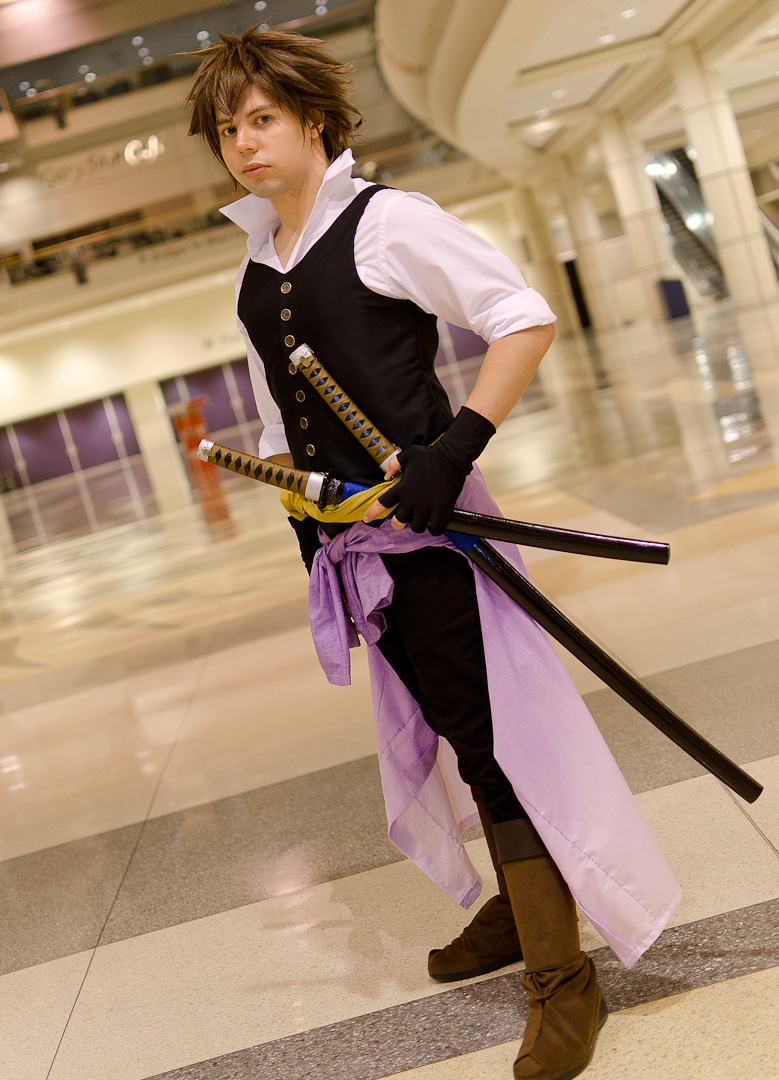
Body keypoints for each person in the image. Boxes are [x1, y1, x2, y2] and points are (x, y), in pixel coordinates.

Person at [187, 29, 680, 1080]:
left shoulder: (385, 221)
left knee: (492, 742)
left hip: (437, 537)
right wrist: (305, 527)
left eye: (262, 119)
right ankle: (520, 905)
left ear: (315, 120)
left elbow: (520, 317)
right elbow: (276, 416)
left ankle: (563, 978)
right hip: (354, 547)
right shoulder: (257, 265)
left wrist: (453, 451)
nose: (243, 143)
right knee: (453, 726)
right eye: (227, 129)